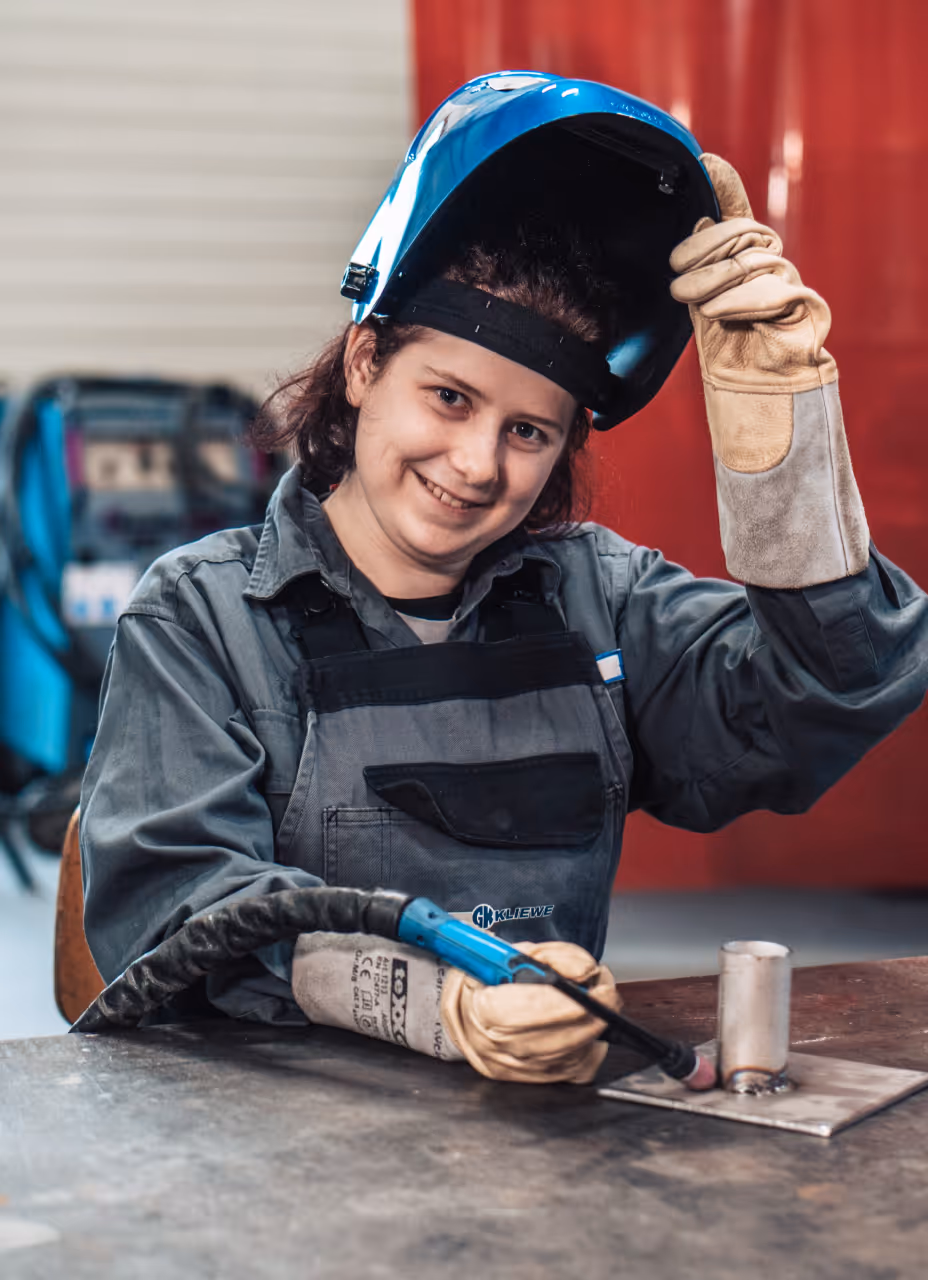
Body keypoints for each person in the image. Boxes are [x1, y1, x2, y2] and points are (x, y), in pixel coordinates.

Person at [80, 73, 928, 1085]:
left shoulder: (599, 599)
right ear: (363, 363)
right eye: (448, 396)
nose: (479, 463)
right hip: (272, 1153)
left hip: (539, 1139)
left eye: (527, 431)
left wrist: (787, 451)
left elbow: (831, 691)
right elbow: (181, 914)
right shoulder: (203, 615)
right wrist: (439, 1003)